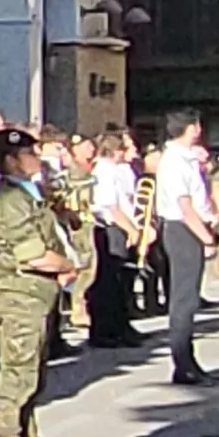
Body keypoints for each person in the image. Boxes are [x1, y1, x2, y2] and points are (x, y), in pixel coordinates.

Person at [0, 131, 80, 437]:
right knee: (17, 375)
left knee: (32, 376)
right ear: (11, 160)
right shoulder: (11, 200)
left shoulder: (28, 194)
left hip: (37, 293)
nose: (37, 157)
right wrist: (68, 265)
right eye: (29, 152)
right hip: (19, 292)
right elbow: (32, 254)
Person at [151, 114, 219, 385]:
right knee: (184, 300)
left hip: (189, 226)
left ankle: (189, 362)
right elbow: (185, 207)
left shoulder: (187, 158)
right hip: (182, 229)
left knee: (189, 299)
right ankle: (183, 365)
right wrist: (207, 239)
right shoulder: (175, 161)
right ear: (192, 128)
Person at [84, 131, 146, 349]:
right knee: (110, 282)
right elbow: (111, 206)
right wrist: (131, 229)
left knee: (123, 281)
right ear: (114, 151)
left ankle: (122, 325)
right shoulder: (104, 171)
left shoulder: (116, 170)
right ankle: (105, 331)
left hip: (122, 226)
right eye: (121, 149)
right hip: (111, 228)